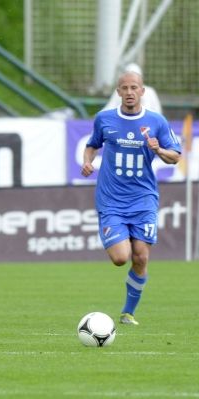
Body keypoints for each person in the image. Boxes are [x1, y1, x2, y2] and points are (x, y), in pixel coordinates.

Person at [82, 69, 181, 325]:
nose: (129, 93)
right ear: (118, 92)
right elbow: (92, 144)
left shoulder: (156, 122)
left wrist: (159, 149)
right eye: (124, 88)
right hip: (111, 199)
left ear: (142, 91)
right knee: (120, 258)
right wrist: (87, 161)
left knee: (141, 256)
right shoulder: (104, 119)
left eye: (134, 88)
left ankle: (128, 312)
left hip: (144, 199)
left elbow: (176, 157)